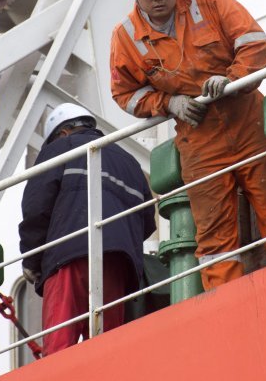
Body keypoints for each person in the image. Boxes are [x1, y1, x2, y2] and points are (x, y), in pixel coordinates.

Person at [109, 0, 266, 291]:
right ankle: (228, 309)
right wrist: (168, 103)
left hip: (249, 124)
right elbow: (125, 94)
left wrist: (232, 79)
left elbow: (255, 43)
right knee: (215, 239)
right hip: (200, 144)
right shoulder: (126, 38)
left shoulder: (207, 1)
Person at [18, 103, 156, 356]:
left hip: (68, 259)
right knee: (107, 351)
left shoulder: (60, 149)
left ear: (61, 133)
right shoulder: (129, 163)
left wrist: (32, 259)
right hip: (118, 264)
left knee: (60, 348)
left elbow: (37, 207)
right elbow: (147, 222)